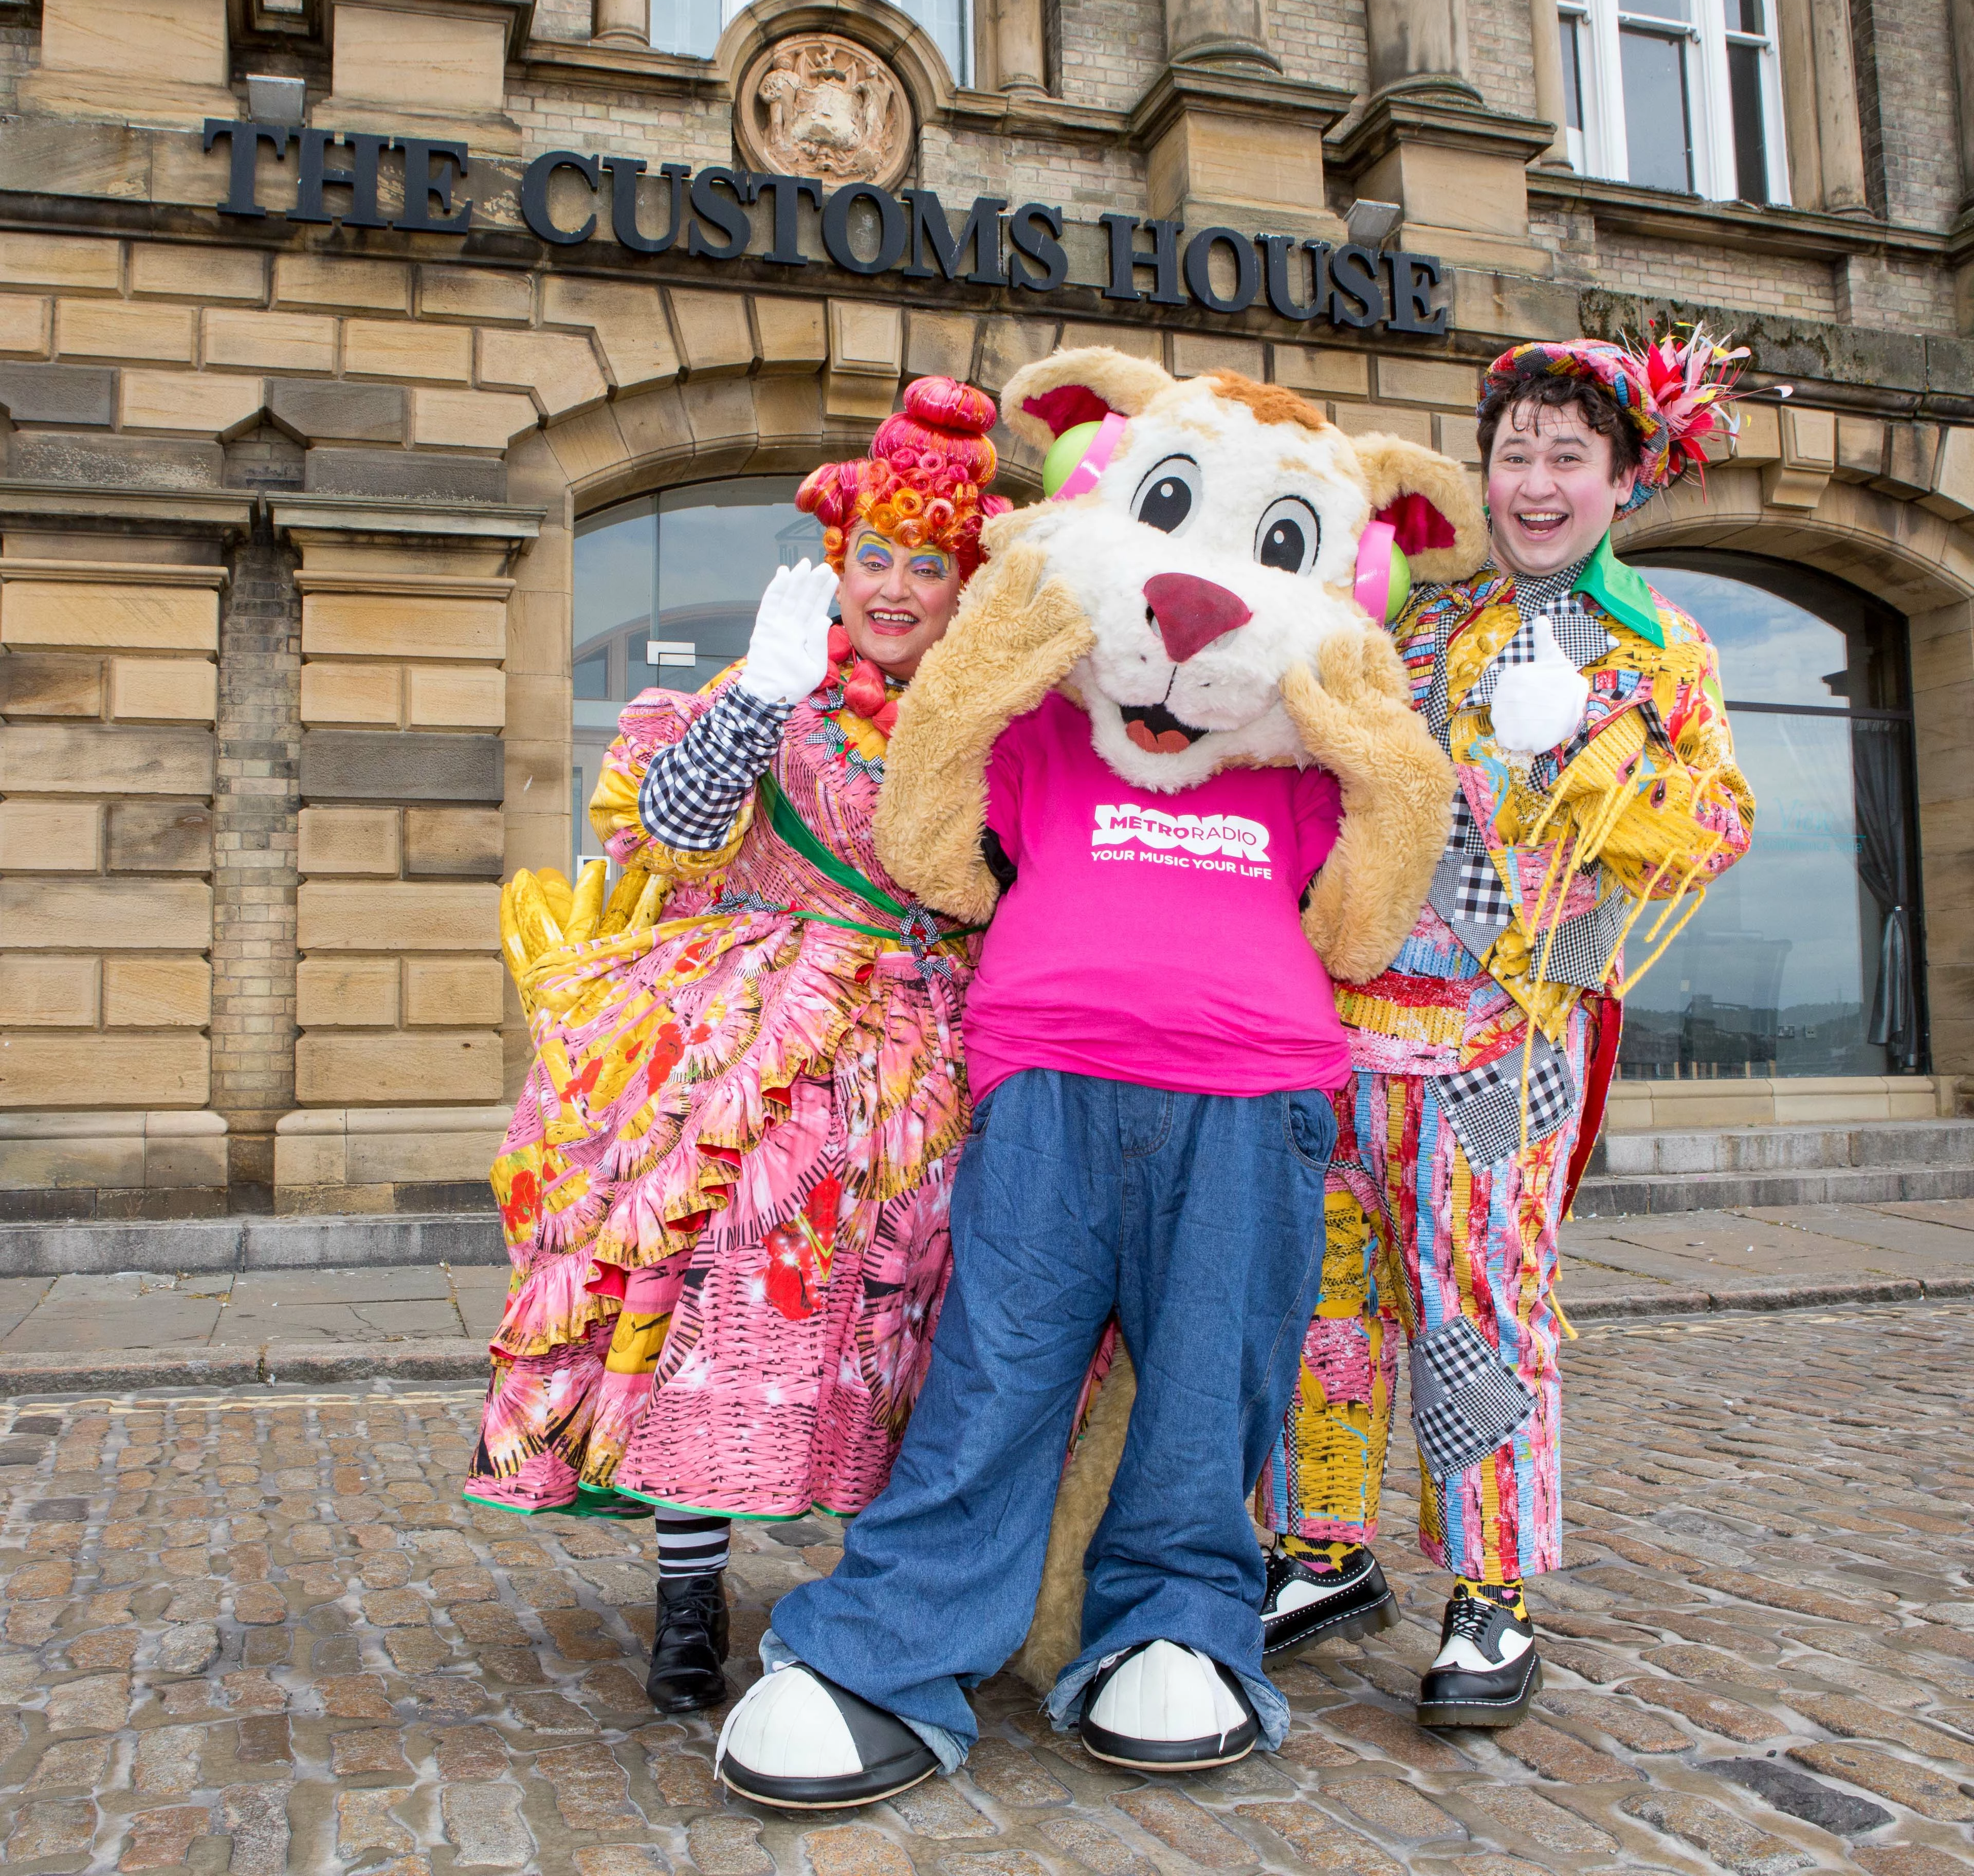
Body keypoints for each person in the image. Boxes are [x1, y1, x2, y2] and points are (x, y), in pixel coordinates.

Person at [709, 347, 1465, 1808]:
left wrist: (1385, 750)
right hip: (1046, 1085)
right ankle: (887, 1647)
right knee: (994, 1371)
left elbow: (1365, 930)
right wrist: (988, 665)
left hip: (1254, 1099)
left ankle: (1178, 1623)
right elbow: (929, 851)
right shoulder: (1051, 736)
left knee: (1209, 1386)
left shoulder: (1302, 771)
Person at [462, 377, 1008, 1715]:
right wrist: (758, 695)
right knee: (721, 1295)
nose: (892, 587)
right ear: (838, 563)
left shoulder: (991, 729)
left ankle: (881, 1589)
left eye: (923, 565)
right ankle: (691, 1591)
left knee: (912, 1317)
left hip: (931, 1050)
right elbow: (679, 824)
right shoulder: (784, 700)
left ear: (962, 586)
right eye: (872, 556)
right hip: (765, 1037)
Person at [1255, 333, 1758, 1727]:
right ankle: (1325, 1547)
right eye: (1514, 455)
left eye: (1566, 459)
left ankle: (1490, 1589)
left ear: (1624, 478)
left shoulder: (1659, 652)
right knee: (1322, 1296)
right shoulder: (1422, 621)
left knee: (1477, 1305)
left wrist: (1584, 766)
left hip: (1505, 1038)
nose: (1535, 483)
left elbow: (1718, 823)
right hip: (1350, 1023)